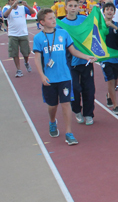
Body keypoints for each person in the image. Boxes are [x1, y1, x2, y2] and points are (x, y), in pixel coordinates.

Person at [33, 9, 97, 145]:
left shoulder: (63, 34)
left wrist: (87, 57)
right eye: (50, 18)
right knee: (52, 106)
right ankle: (52, 122)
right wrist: (42, 75)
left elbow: (73, 51)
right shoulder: (38, 38)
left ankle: (69, 133)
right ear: (42, 22)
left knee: (66, 104)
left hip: (65, 77)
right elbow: (37, 59)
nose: (54, 20)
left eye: (54, 17)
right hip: (49, 78)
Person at [60, 0, 97, 125]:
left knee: (89, 88)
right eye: (70, 6)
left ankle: (88, 114)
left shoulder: (83, 19)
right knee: (75, 88)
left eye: (75, 6)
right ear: (66, 7)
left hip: (86, 60)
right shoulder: (61, 25)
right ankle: (77, 110)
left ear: (78, 7)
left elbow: (94, 33)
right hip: (70, 62)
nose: (73, 8)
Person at [3, 0, 36, 77]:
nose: (14, 1)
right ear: (9, 2)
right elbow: (5, 15)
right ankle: (18, 69)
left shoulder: (22, 8)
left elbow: (33, 13)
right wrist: (12, 7)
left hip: (23, 33)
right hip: (13, 34)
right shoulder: (6, 8)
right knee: (14, 53)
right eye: (12, 0)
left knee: (26, 52)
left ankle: (26, 62)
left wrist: (26, 5)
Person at [100, 3, 118, 115]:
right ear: (103, 11)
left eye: (111, 10)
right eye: (107, 9)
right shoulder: (99, 25)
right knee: (110, 80)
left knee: (115, 81)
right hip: (105, 57)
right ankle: (116, 105)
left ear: (114, 13)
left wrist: (113, 26)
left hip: (115, 56)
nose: (109, 11)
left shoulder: (117, 25)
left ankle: (109, 95)